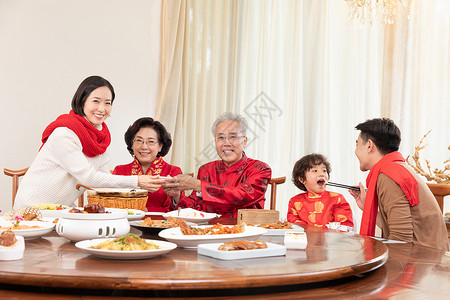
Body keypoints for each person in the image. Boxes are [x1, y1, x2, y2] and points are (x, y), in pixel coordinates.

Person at [14, 76, 163, 209]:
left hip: (59, 210)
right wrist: (137, 181)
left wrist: (149, 186)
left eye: (107, 103)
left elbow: (103, 181)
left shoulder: (101, 139)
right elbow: (88, 178)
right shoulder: (64, 133)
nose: (102, 108)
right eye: (96, 101)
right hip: (31, 209)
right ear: (82, 101)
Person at [349, 118, 448, 251]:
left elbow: (401, 241)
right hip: (428, 257)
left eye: (357, 144)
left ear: (369, 146)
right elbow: (395, 228)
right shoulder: (397, 168)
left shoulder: (389, 175)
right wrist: (366, 204)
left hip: (424, 262)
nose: (355, 151)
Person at [162, 112, 272, 218]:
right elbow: (194, 209)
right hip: (209, 232)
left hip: (245, 232)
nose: (226, 143)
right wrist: (176, 196)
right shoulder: (206, 170)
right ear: (215, 142)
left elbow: (241, 197)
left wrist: (199, 185)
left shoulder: (260, 169)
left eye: (233, 137)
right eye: (221, 137)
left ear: (244, 141)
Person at [112, 117, 182, 212]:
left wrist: (176, 196)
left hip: (162, 225)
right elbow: (112, 205)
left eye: (151, 142)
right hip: (127, 223)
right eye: (139, 140)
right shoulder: (120, 171)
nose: (144, 146)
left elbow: (182, 211)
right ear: (131, 144)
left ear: (160, 146)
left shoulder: (173, 171)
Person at [287, 154, 354, 228]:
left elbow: (345, 226)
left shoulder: (337, 199)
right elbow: (294, 227)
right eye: (315, 171)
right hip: (305, 239)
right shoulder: (294, 201)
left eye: (324, 171)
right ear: (302, 179)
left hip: (332, 239)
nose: (321, 174)